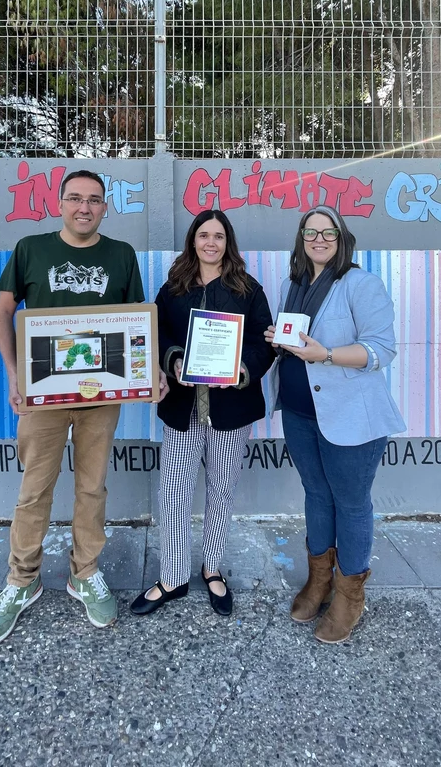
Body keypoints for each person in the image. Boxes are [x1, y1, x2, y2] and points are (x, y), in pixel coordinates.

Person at [0, 169, 166, 645]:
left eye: (94, 200)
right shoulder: (31, 248)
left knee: (92, 486)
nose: (85, 207)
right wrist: (12, 370)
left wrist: (150, 373)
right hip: (42, 395)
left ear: (106, 207)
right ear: (59, 203)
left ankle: (85, 572)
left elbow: (134, 324)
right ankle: (22, 580)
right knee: (34, 488)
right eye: (75, 198)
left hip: (99, 398)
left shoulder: (121, 255)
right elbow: (4, 311)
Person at [265, 204, 405, 644]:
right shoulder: (295, 284)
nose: (319, 239)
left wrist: (324, 354)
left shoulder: (361, 284)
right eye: (311, 232)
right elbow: (298, 344)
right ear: (301, 239)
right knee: (317, 495)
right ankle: (319, 581)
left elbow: (382, 349)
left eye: (328, 232)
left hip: (351, 417)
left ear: (342, 238)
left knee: (351, 503)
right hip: (300, 413)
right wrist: (278, 341)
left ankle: (349, 596)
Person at [131, 210, 274, 618]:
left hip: (231, 407)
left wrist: (243, 370)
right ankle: (173, 576)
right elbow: (156, 334)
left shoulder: (248, 289)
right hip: (183, 404)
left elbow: (264, 343)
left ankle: (212, 568)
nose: (211, 243)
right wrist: (173, 359)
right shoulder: (173, 288)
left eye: (219, 236)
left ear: (228, 242)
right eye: (203, 235)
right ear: (193, 240)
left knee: (221, 489)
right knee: (174, 491)